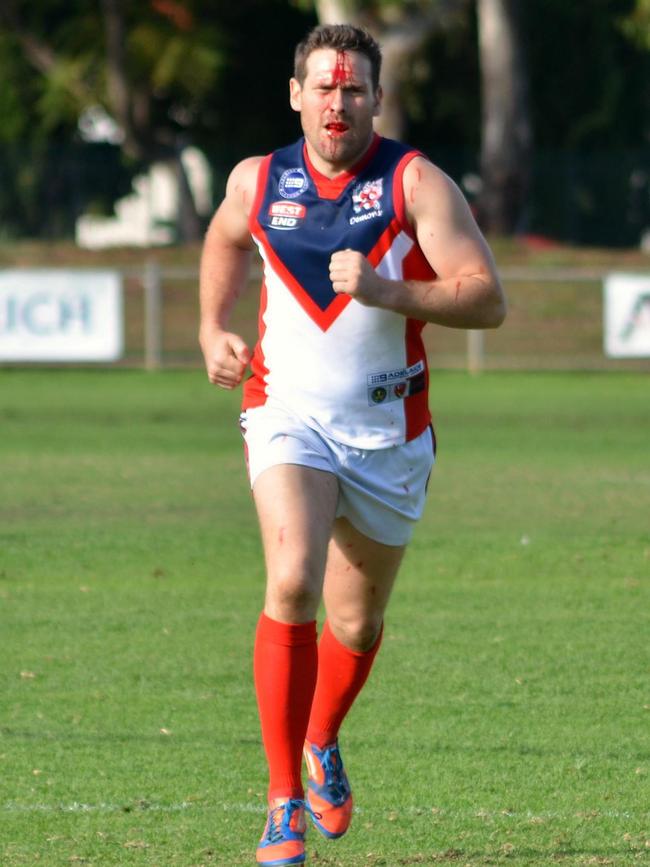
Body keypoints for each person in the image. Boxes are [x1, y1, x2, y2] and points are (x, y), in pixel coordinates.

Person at [199, 23, 506, 867]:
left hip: (389, 432)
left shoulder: (415, 184)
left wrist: (385, 288)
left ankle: (322, 737)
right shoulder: (257, 180)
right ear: (297, 95)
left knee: (356, 621)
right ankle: (281, 802)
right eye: (325, 88)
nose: (339, 102)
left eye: (355, 89)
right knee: (291, 577)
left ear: (376, 97)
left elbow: (487, 300)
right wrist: (209, 328)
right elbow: (226, 236)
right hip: (286, 412)